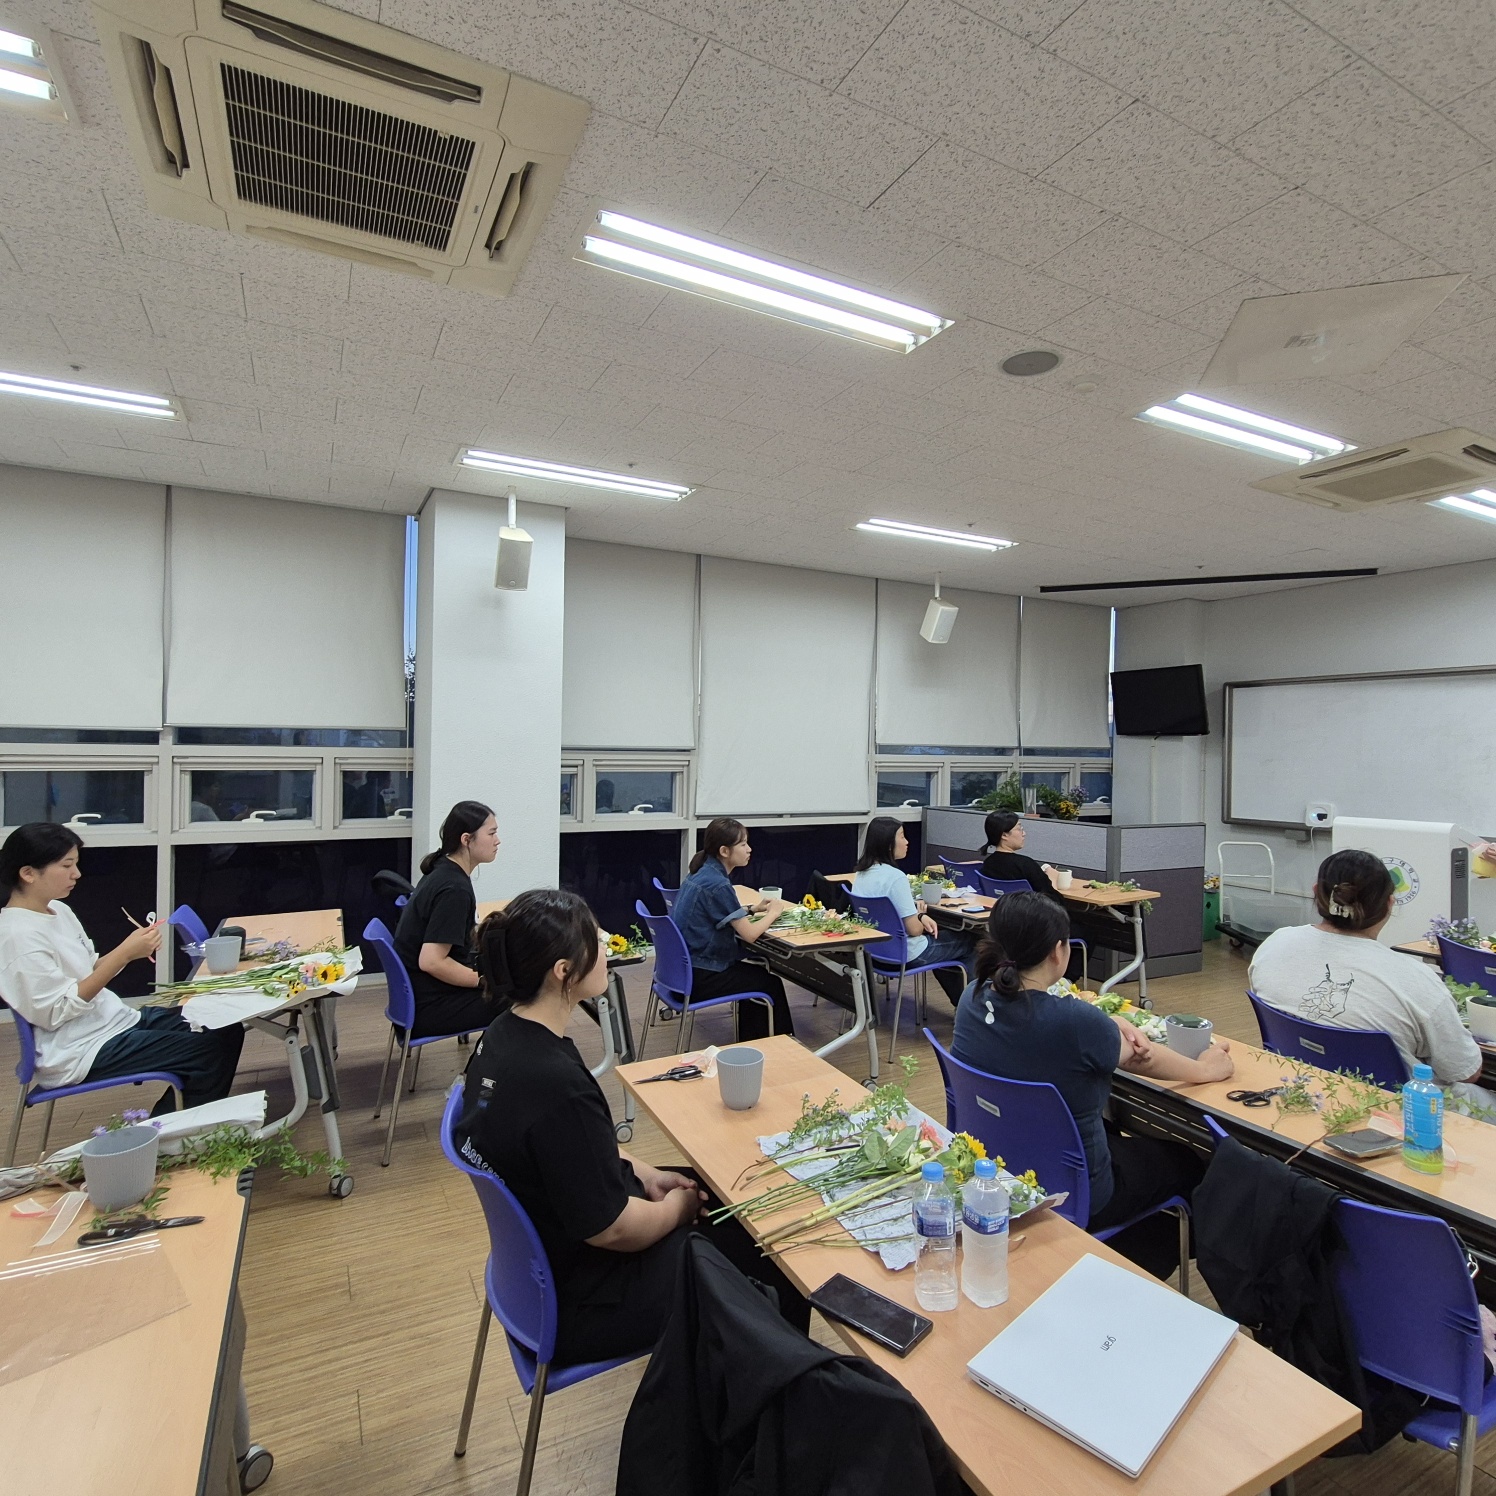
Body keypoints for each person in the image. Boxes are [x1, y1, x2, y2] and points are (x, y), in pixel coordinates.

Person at [453, 888, 810, 1362]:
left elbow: (574, 1150)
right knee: (767, 1241)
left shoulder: (504, 1035)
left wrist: (648, 1175)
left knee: (730, 1196)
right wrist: (677, 1210)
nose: (606, 948)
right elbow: (613, 1230)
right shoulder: (554, 1083)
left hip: (541, 1257)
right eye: (597, 942)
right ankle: (782, 1376)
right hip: (582, 1297)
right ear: (564, 971)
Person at [953, 891, 1234, 1277]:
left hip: (998, 1161)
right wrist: (1205, 1069)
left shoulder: (971, 999)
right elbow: (1144, 1057)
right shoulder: (1075, 1024)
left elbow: (1055, 1025)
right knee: (1188, 1161)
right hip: (1080, 1186)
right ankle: (1144, 1262)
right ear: (1058, 952)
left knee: (1114, 1134)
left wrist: (1106, 1022)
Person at [0, 823, 244, 1113]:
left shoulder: (58, 909)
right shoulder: (18, 935)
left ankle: (181, 1123)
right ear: (28, 873)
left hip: (111, 1021)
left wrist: (131, 950)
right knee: (207, 1052)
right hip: (79, 1048)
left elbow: (90, 969)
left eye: (75, 864)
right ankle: (165, 1131)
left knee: (224, 1025)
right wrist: (124, 955)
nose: (76, 874)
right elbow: (56, 1012)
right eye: (66, 865)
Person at [1250, 849, 1491, 1110]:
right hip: (1404, 1114)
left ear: (1316, 891)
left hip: (1302, 1090)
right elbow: (1465, 1072)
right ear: (1389, 903)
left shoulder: (1275, 944)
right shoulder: (1416, 979)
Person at [670, 818, 795, 1040]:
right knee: (769, 983)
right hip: (700, 975)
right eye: (743, 844)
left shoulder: (702, 872)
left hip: (680, 972)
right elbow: (750, 934)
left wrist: (752, 909)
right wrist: (774, 912)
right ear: (724, 851)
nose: (749, 849)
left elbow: (717, 913)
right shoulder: (717, 884)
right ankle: (780, 1046)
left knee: (756, 974)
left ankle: (757, 1041)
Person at [393, 800, 499, 1039]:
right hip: (429, 1007)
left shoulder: (443, 869)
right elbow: (431, 962)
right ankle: (488, 1062)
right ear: (466, 839)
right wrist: (484, 980)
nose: (497, 840)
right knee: (523, 999)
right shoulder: (454, 889)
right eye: (491, 833)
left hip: (420, 997)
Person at [851, 816, 975, 1004]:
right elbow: (914, 930)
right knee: (973, 942)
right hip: (906, 954)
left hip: (875, 954)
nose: (907, 842)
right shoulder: (896, 878)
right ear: (888, 844)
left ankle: (962, 1004)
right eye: (902, 837)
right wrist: (920, 919)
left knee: (944, 940)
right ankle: (971, 1009)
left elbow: (887, 915)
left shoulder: (861, 874)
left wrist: (920, 915)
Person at [979, 811, 1062, 902]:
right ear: (1004, 835)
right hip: (1027, 910)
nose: (1024, 833)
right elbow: (1053, 902)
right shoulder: (1026, 864)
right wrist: (1053, 879)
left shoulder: (988, 863)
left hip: (1001, 910)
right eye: (1019, 829)